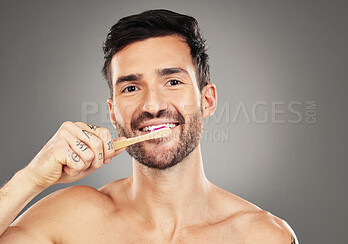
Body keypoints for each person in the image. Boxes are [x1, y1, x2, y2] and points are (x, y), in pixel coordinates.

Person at [0, 9, 298, 243]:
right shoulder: (68, 220)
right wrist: (31, 178)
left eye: (172, 82)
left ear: (207, 100)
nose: (153, 105)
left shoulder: (263, 236)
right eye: (131, 88)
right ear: (113, 111)